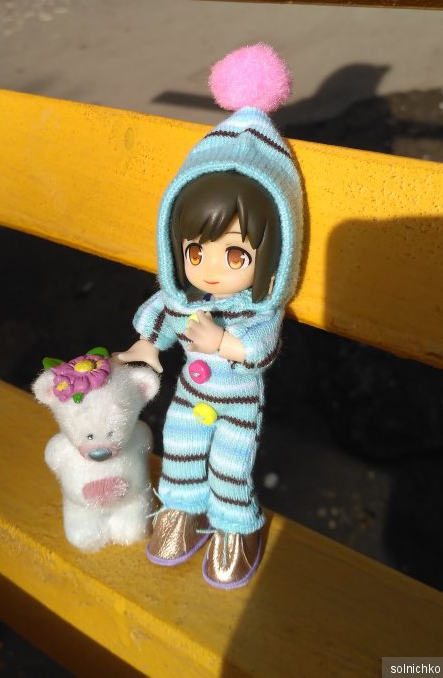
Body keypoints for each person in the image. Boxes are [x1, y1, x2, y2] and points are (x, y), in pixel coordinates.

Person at [116, 43, 303, 588]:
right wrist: (145, 346)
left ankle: (235, 525)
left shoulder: (256, 313)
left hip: (238, 407)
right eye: (195, 252)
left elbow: (261, 349)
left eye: (236, 255)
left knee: (230, 466)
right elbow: (161, 316)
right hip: (189, 399)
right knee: (179, 449)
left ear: (274, 254)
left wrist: (223, 344)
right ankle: (182, 507)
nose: (210, 270)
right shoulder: (186, 299)